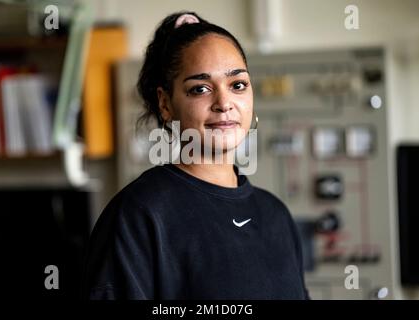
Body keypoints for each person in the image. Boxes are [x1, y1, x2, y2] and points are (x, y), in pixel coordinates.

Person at [82, 11, 309, 300]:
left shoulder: (275, 216)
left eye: (237, 84)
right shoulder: (140, 214)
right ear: (165, 104)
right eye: (200, 89)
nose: (224, 103)